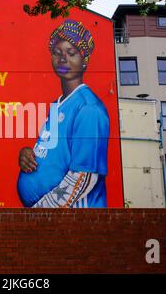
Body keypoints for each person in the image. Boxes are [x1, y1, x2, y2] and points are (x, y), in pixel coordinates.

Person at [17, 19, 110, 208]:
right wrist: (28, 154)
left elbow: (84, 176)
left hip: (73, 221)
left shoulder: (88, 108)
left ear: (85, 61)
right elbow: (52, 153)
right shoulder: (57, 105)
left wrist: (42, 212)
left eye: (71, 53)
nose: (62, 59)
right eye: (57, 53)